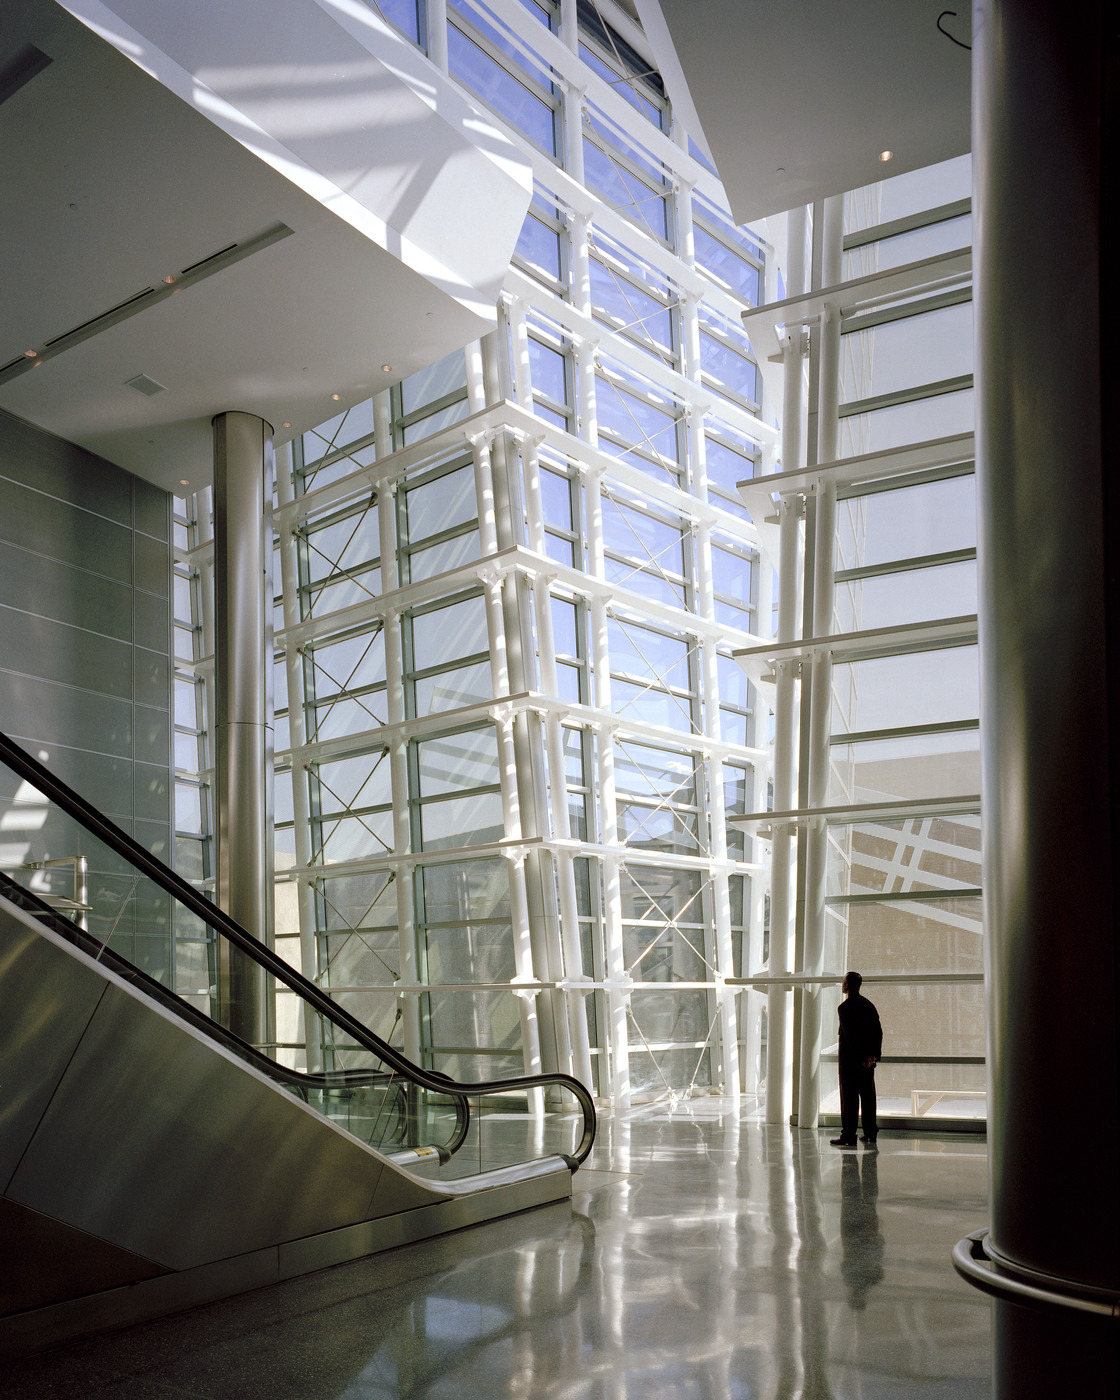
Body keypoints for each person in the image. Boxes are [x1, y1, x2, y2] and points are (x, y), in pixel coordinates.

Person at [830, 971, 882, 1149]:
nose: (842, 984)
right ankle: (870, 1132)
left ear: (847, 985)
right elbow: (878, 1033)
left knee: (849, 1100)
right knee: (868, 1098)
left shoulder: (844, 1008)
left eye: (844, 982)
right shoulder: (869, 1005)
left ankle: (849, 1135)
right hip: (867, 1063)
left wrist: (861, 1058)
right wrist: (872, 1057)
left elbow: (851, 1037)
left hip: (850, 1063)